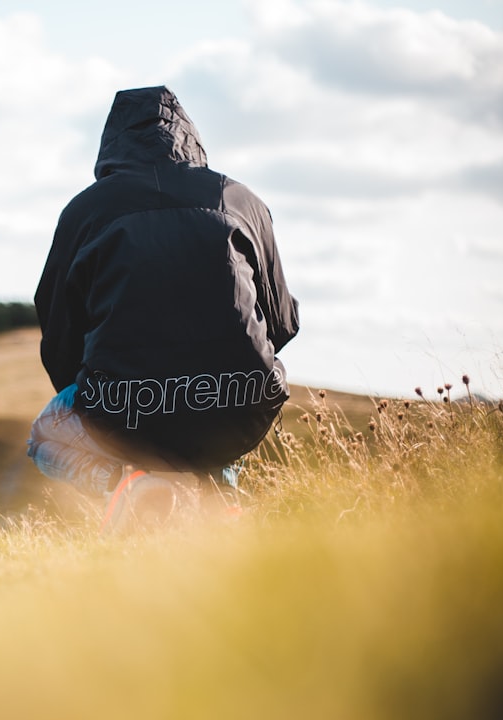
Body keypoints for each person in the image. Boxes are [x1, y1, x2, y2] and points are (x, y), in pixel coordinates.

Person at [27, 86, 299, 533]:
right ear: (188, 135)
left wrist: (98, 392)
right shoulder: (241, 200)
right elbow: (282, 321)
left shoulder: (84, 212)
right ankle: (222, 500)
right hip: (243, 401)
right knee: (219, 403)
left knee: (43, 436)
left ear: (110, 145)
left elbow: (58, 331)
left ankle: (125, 482)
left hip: (127, 405)